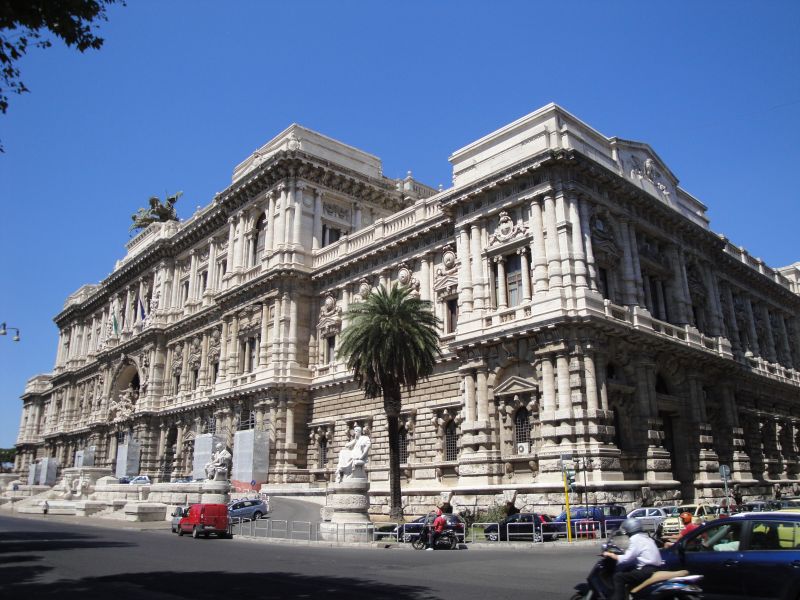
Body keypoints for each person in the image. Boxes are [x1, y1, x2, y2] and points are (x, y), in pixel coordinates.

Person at [602, 518, 662, 600]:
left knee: (618, 577)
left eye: (626, 530)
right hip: (654, 568)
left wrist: (611, 554)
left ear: (630, 528)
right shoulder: (646, 537)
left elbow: (626, 558)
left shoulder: (635, 539)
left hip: (646, 570)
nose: (626, 533)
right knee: (628, 569)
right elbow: (636, 554)